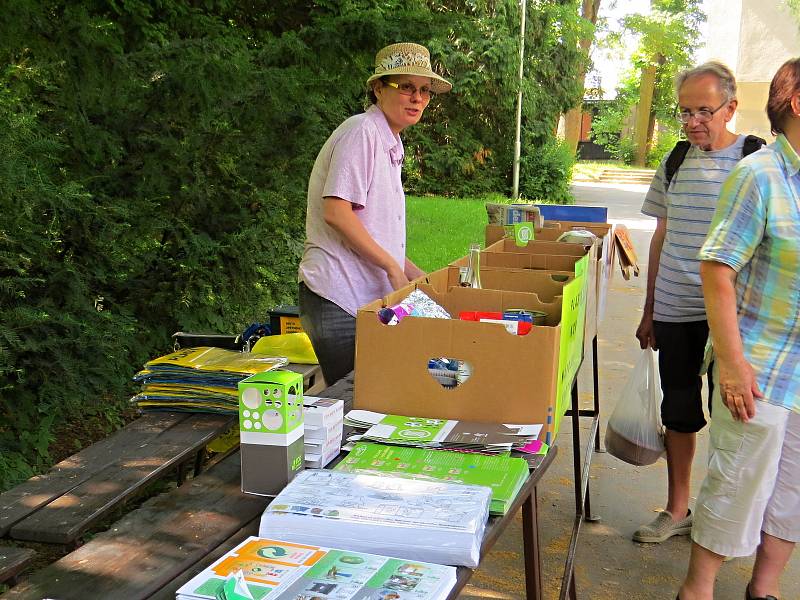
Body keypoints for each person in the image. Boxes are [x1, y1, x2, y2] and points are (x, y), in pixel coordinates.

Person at [677, 58, 800, 600]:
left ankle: (763, 590)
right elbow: (717, 267)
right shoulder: (759, 176)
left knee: (791, 495)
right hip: (760, 369)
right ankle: (698, 589)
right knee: (735, 488)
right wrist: (731, 364)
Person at [634, 62, 760, 543]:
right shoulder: (675, 161)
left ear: (730, 108)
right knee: (679, 411)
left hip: (734, 316)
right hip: (675, 308)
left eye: (704, 111)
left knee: (734, 418)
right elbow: (660, 237)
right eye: (685, 112)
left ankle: (721, 518)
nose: (692, 122)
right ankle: (677, 508)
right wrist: (649, 309)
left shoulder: (755, 161)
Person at [298, 43, 451, 386]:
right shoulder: (361, 132)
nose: (417, 98)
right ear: (379, 88)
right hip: (338, 297)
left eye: (424, 90)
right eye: (407, 87)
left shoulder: (390, 143)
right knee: (359, 403)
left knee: (378, 396)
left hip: (365, 300)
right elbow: (337, 212)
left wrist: (413, 272)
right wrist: (391, 267)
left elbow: (372, 228)